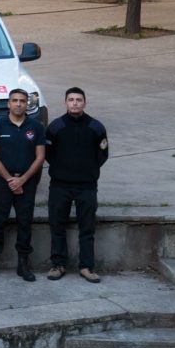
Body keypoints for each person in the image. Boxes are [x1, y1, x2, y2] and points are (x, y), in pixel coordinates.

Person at [0, 89, 45, 282]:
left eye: (22, 101)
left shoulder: (36, 126)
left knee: (25, 223)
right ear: (8, 104)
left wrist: (22, 180)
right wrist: (10, 179)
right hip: (2, 182)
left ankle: (23, 265)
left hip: (27, 182)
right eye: (15, 100)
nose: (18, 104)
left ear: (27, 104)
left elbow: (40, 156)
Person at [45, 87, 108, 283]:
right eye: (71, 100)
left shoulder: (96, 127)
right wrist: (62, 169)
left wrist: (87, 170)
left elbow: (102, 154)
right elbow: (48, 153)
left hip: (86, 186)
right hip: (59, 185)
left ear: (84, 103)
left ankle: (86, 267)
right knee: (57, 226)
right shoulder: (55, 127)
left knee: (87, 228)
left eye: (78, 100)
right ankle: (58, 265)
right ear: (65, 103)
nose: (75, 103)